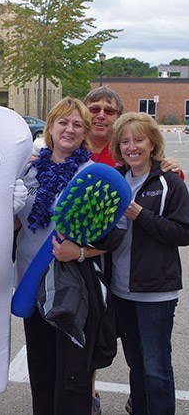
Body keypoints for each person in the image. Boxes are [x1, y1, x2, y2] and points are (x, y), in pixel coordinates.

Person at [14, 97, 123, 415]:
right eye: (63, 122)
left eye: (77, 124)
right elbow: (16, 223)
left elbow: (116, 236)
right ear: (50, 127)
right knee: (42, 370)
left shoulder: (93, 176)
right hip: (31, 285)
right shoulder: (30, 170)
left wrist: (80, 251)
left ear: (85, 132)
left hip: (73, 290)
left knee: (72, 377)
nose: (69, 129)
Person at [108, 112, 189, 415]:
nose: (132, 147)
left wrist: (140, 214)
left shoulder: (170, 182)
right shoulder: (114, 180)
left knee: (156, 368)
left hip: (156, 292)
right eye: (125, 141)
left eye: (139, 139)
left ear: (153, 144)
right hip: (121, 289)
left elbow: (183, 232)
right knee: (136, 366)